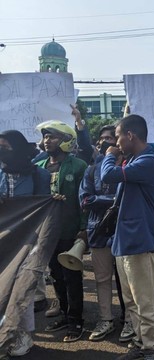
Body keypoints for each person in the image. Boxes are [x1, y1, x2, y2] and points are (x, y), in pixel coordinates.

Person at [100, 115, 154, 360]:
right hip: (124, 241)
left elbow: (107, 176)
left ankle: (152, 348)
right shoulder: (134, 160)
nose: (115, 142)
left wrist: (109, 155)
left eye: (117, 136)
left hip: (139, 240)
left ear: (130, 136)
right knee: (131, 302)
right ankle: (139, 343)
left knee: (144, 301)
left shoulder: (149, 161)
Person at [79, 125, 134, 343]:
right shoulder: (92, 170)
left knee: (127, 279)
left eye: (112, 139)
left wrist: (100, 201)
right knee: (102, 279)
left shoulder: (129, 167)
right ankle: (105, 319)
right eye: (103, 140)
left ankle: (130, 319)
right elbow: (85, 200)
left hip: (123, 230)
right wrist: (113, 202)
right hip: (99, 230)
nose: (107, 144)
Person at [34, 120, 88, 343]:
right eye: (46, 136)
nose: (48, 141)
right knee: (56, 276)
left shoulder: (78, 166)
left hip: (70, 230)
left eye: (53, 136)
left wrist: (83, 228)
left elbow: (84, 200)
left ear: (66, 140)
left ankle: (76, 321)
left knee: (72, 277)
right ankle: (65, 315)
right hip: (48, 231)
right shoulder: (39, 167)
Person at [0, 130, 51, 357]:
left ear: (19, 148)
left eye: (6, 147)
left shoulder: (39, 176)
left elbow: (42, 208)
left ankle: (23, 334)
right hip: (3, 239)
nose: (2, 151)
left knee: (22, 287)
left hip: (27, 241)